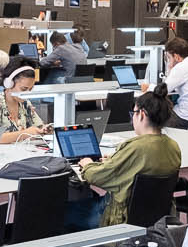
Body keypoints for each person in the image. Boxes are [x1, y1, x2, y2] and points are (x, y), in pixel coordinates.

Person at [70, 89, 182, 229]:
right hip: (156, 217)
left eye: (133, 113)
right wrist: (114, 160)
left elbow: (97, 176)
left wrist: (87, 165)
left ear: (141, 114)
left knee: (65, 213)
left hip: (121, 216)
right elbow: (140, 167)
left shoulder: (135, 147)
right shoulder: (173, 146)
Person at [0, 64, 47, 143]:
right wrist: (24, 133)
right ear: (9, 84)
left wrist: (44, 130)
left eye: (30, 89)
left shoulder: (25, 103)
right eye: (24, 89)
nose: (27, 93)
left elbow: (38, 126)